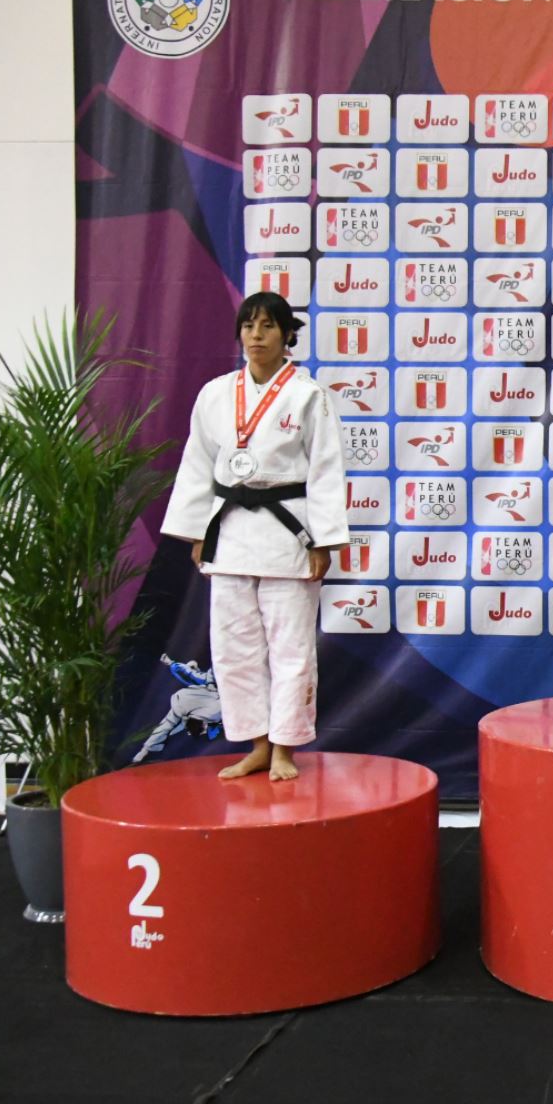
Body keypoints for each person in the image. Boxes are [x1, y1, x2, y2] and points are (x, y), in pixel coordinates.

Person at [161, 292, 348, 781]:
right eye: (248, 326)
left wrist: (323, 540)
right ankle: (257, 745)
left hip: (288, 533)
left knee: (290, 648)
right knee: (233, 649)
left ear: (287, 335)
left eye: (267, 326)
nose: (256, 335)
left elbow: (326, 471)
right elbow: (197, 463)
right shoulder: (216, 394)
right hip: (230, 532)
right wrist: (197, 529)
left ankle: (285, 747)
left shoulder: (309, 397)